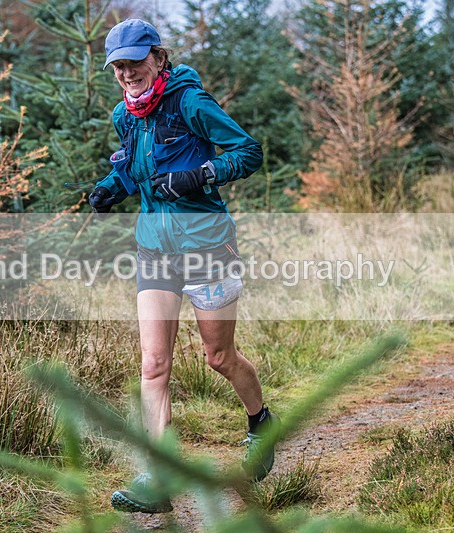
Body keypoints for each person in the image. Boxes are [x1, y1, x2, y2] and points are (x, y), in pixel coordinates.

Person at [89, 18, 279, 514]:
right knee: (153, 365)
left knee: (220, 358)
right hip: (155, 249)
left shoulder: (190, 102)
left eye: (135, 61)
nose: (128, 73)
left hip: (207, 247)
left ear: (157, 57)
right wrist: (113, 186)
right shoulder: (124, 115)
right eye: (119, 66)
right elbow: (132, 165)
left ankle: (260, 420)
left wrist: (200, 175)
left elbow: (248, 152)